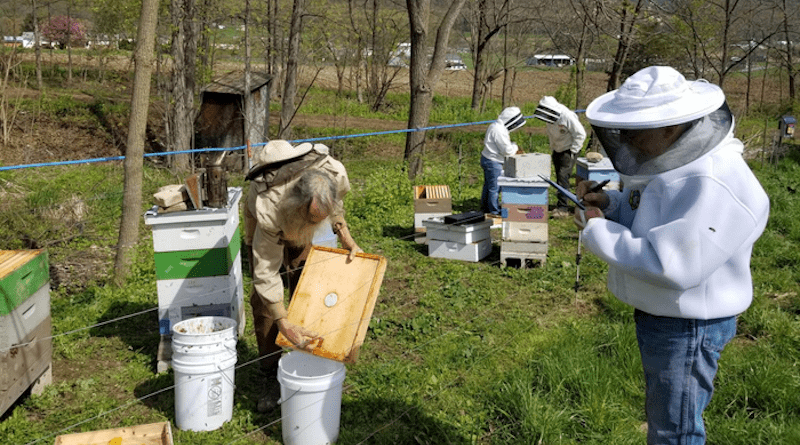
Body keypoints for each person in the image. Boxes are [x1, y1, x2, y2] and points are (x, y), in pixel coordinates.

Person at [575, 66, 770, 444]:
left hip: (688, 324)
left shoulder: (712, 179)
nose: (627, 140)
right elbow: (658, 217)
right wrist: (612, 204)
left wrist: (598, 229)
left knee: (674, 431)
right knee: (667, 419)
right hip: (669, 314)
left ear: (670, 126)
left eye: (635, 131)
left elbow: (673, 264)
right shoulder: (678, 159)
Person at [243, 139, 363, 412]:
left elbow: (336, 204)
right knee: (264, 303)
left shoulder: (332, 172)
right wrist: (282, 319)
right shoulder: (268, 206)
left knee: (306, 282)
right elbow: (266, 271)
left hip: (303, 208)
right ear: (298, 205)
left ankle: (306, 359)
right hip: (265, 222)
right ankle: (270, 373)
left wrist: (343, 234)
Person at [533, 96, 587, 218]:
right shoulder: (549, 117)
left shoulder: (567, 116)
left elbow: (581, 134)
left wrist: (573, 151)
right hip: (557, 149)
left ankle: (563, 208)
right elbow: (551, 133)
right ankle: (561, 204)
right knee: (559, 177)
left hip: (569, 150)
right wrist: (553, 148)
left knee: (563, 177)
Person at [481, 106, 525, 217]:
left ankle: (485, 208)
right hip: (493, 161)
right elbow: (507, 151)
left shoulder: (496, 126)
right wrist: (515, 146)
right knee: (494, 188)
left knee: (488, 185)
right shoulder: (498, 130)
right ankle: (494, 211)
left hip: (488, 159)